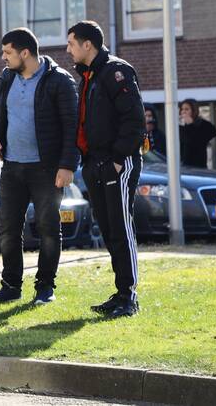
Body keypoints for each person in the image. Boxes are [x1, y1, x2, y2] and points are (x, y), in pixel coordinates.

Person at [0, 28, 79, 306]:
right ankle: (11, 286)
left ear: (24, 53)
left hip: (46, 169)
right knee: (8, 230)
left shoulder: (59, 81)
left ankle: (45, 287)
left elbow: (72, 127)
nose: (3, 57)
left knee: (48, 228)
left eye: (8, 52)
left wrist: (66, 166)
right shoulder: (6, 78)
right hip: (13, 167)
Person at [67, 20, 145, 319]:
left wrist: (117, 158)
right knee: (110, 229)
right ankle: (120, 292)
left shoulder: (115, 71)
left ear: (88, 45)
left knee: (121, 228)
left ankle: (130, 296)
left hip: (116, 163)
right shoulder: (89, 76)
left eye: (72, 43)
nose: (68, 49)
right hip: (94, 164)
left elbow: (134, 120)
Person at [179, 99, 216, 168]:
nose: (183, 112)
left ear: (194, 110)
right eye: (182, 109)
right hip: (184, 166)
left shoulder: (204, 125)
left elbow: (197, 142)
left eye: (187, 109)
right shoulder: (181, 126)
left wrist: (190, 125)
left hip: (199, 165)